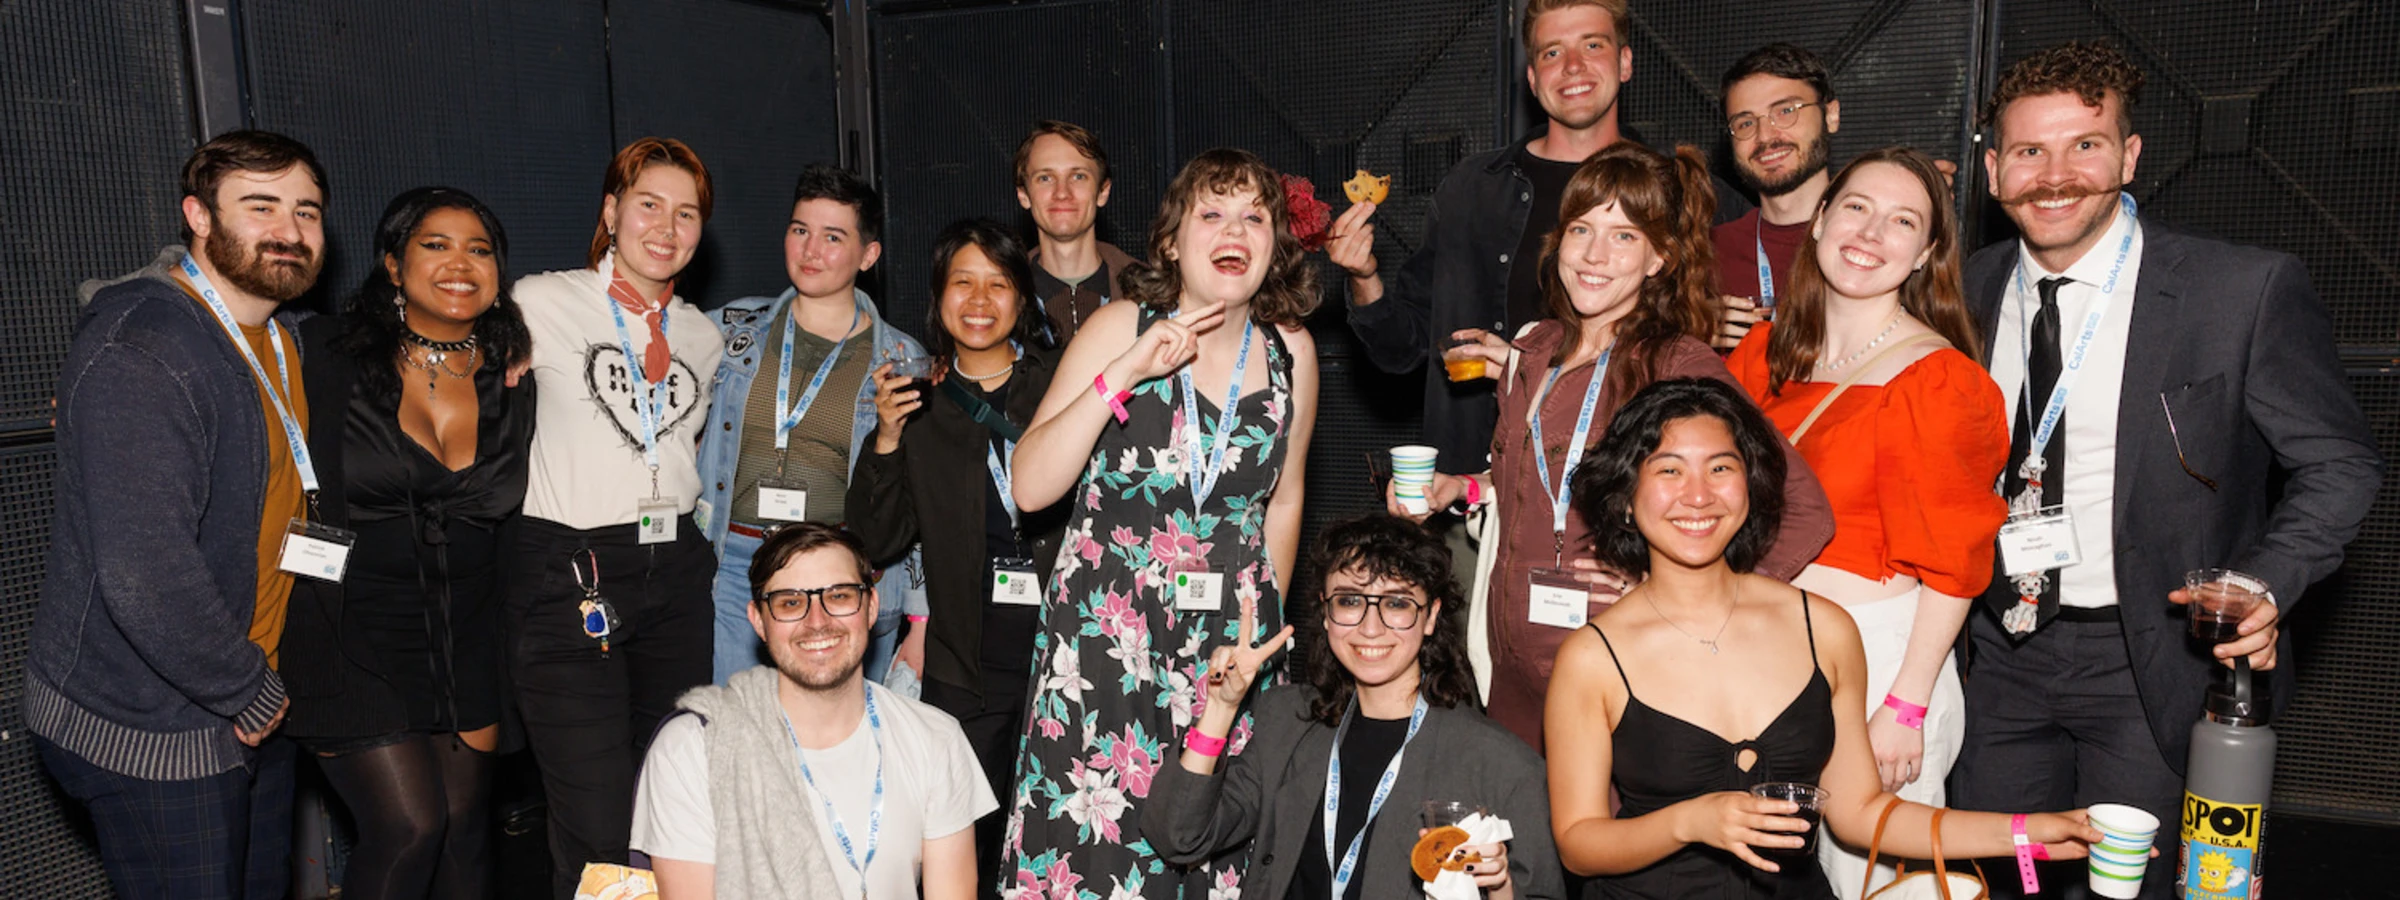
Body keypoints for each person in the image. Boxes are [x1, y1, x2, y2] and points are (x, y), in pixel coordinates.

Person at [1952, 42, 2380, 898]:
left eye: (2086, 144)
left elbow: (2340, 464)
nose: (2056, 175)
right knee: (2007, 882)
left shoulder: (2240, 290)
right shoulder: (1960, 290)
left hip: (2149, 662)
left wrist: (2262, 583)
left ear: (2130, 154)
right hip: (1993, 660)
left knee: (2130, 890)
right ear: (1995, 170)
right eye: (2029, 152)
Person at [1546, 377, 2103, 898]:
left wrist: (2022, 832)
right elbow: (1578, 845)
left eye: (1720, 468)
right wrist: (1689, 821)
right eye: (1669, 471)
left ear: (1750, 485)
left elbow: (1862, 813)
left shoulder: (1824, 628)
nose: (1698, 495)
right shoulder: (1593, 658)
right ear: (1625, 495)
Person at [1394, 142, 1832, 752]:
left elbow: (1803, 509)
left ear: (1658, 259)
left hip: (1618, 671)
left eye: (1625, 236)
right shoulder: (1533, 350)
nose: (1595, 256)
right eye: (1582, 229)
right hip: (1509, 668)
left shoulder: (1677, 365)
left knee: (1602, 842)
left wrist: (1690, 604)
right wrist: (1462, 489)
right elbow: (1537, 477)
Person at [1001, 147, 1320, 899]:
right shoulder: (1122, 324)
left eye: (1254, 216)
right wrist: (1128, 372)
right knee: (1098, 852)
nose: (1234, 230)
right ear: (1173, 239)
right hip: (1110, 637)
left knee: (1208, 845)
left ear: (1275, 243)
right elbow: (1030, 485)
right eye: (1212, 213)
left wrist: (1259, 632)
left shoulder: (1290, 351)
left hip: (1223, 648)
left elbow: (1284, 498)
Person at [25, 129, 325, 899]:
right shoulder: (146, 351)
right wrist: (243, 689)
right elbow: (143, 570)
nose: (290, 231)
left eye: (307, 211)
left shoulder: (281, 337)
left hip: (251, 687)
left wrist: (503, 346)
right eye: (261, 207)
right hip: (161, 720)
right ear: (197, 214)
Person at [1725, 147, 2004, 897]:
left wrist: (1905, 708)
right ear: (1818, 220)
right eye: (1856, 207)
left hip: (1881, 658)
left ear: (1927, 253)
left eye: (1902, 220)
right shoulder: (1760, 356)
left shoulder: (1940, 382)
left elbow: (1955, 564)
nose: (1871, 233)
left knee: (1882, 885)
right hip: (1764, 649)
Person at [1331, 0, 1754, 488]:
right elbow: (1400, 350)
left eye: (1592, 45)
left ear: (1625, 62)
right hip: (1474, 484)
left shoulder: (1680, 187)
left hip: (1628, 486)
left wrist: (1706, 321)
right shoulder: (1471, 189)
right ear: (1532, 79)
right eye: (1553, 53)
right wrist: (1364, 279)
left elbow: (1780, 303)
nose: (1573, 66)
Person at [284, 187, 535, 900]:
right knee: (409, 828)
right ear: (392, 265)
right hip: (350, 632)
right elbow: (212, 311)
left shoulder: (516, 377)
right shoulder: (321, 352)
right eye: (436, 245)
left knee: (464, 836)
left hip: (469, 639)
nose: (461, 263)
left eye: (479, 249)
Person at [509, 137, 725, 897]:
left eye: (686, 212)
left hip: (676, 573)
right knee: (598, 823)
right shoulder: (540, 302)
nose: (666, 227)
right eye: (648, 205)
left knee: (666, 806)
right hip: (574, 573)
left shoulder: (703, 335)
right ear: (610, 211)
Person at [1145, 514, 1565, 900]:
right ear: (1326, 614)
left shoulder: (1502, 764)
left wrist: (1501, 887)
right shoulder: (1287, 722)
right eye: (1349, 600)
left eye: (1397, 603)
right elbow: (1180, 835)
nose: (1370, 625)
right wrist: (1220, 708)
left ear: (1432, 616)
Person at [847, 218, 1069, 895]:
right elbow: (876, 542)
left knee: (1061, 832)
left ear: (1023, 298)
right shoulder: (918, 408)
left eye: (998, 284)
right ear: (939, 299)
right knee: (961, 842)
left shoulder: (1061, 388)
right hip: (964, 663)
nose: (979, 300)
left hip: (1067, 651)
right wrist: (885, 436)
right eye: (961, 283)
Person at [632, 522, 995, 900]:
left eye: (838, 596)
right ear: (758, 620)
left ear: (871, 606)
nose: (817, 621)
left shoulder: (935, 738)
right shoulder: (693, 750)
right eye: (790, 602)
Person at [696, 163, 929, 686]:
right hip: (736, 564)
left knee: (838, 739)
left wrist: (920, 617)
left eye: (832, 237)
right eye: (800, 230)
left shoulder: (901, 358)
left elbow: (914, 502)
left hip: (841, 571)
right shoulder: (731, 331)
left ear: (868, 255)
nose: (810, 250)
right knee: (744, 735)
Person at [1711, 43, 1840, 350]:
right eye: (1745, 122)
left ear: (1831, 115)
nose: (1765, 136)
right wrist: (1691, 340)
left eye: (1785, 112)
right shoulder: (1708, 252)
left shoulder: (1875, 240)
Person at [1016, 120, 1139, 342]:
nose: (1062, 193)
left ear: (1103, 192)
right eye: (1045, 178)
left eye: (1078, 176)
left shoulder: (1153, 295)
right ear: (1024, 195)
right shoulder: (1000, 301)